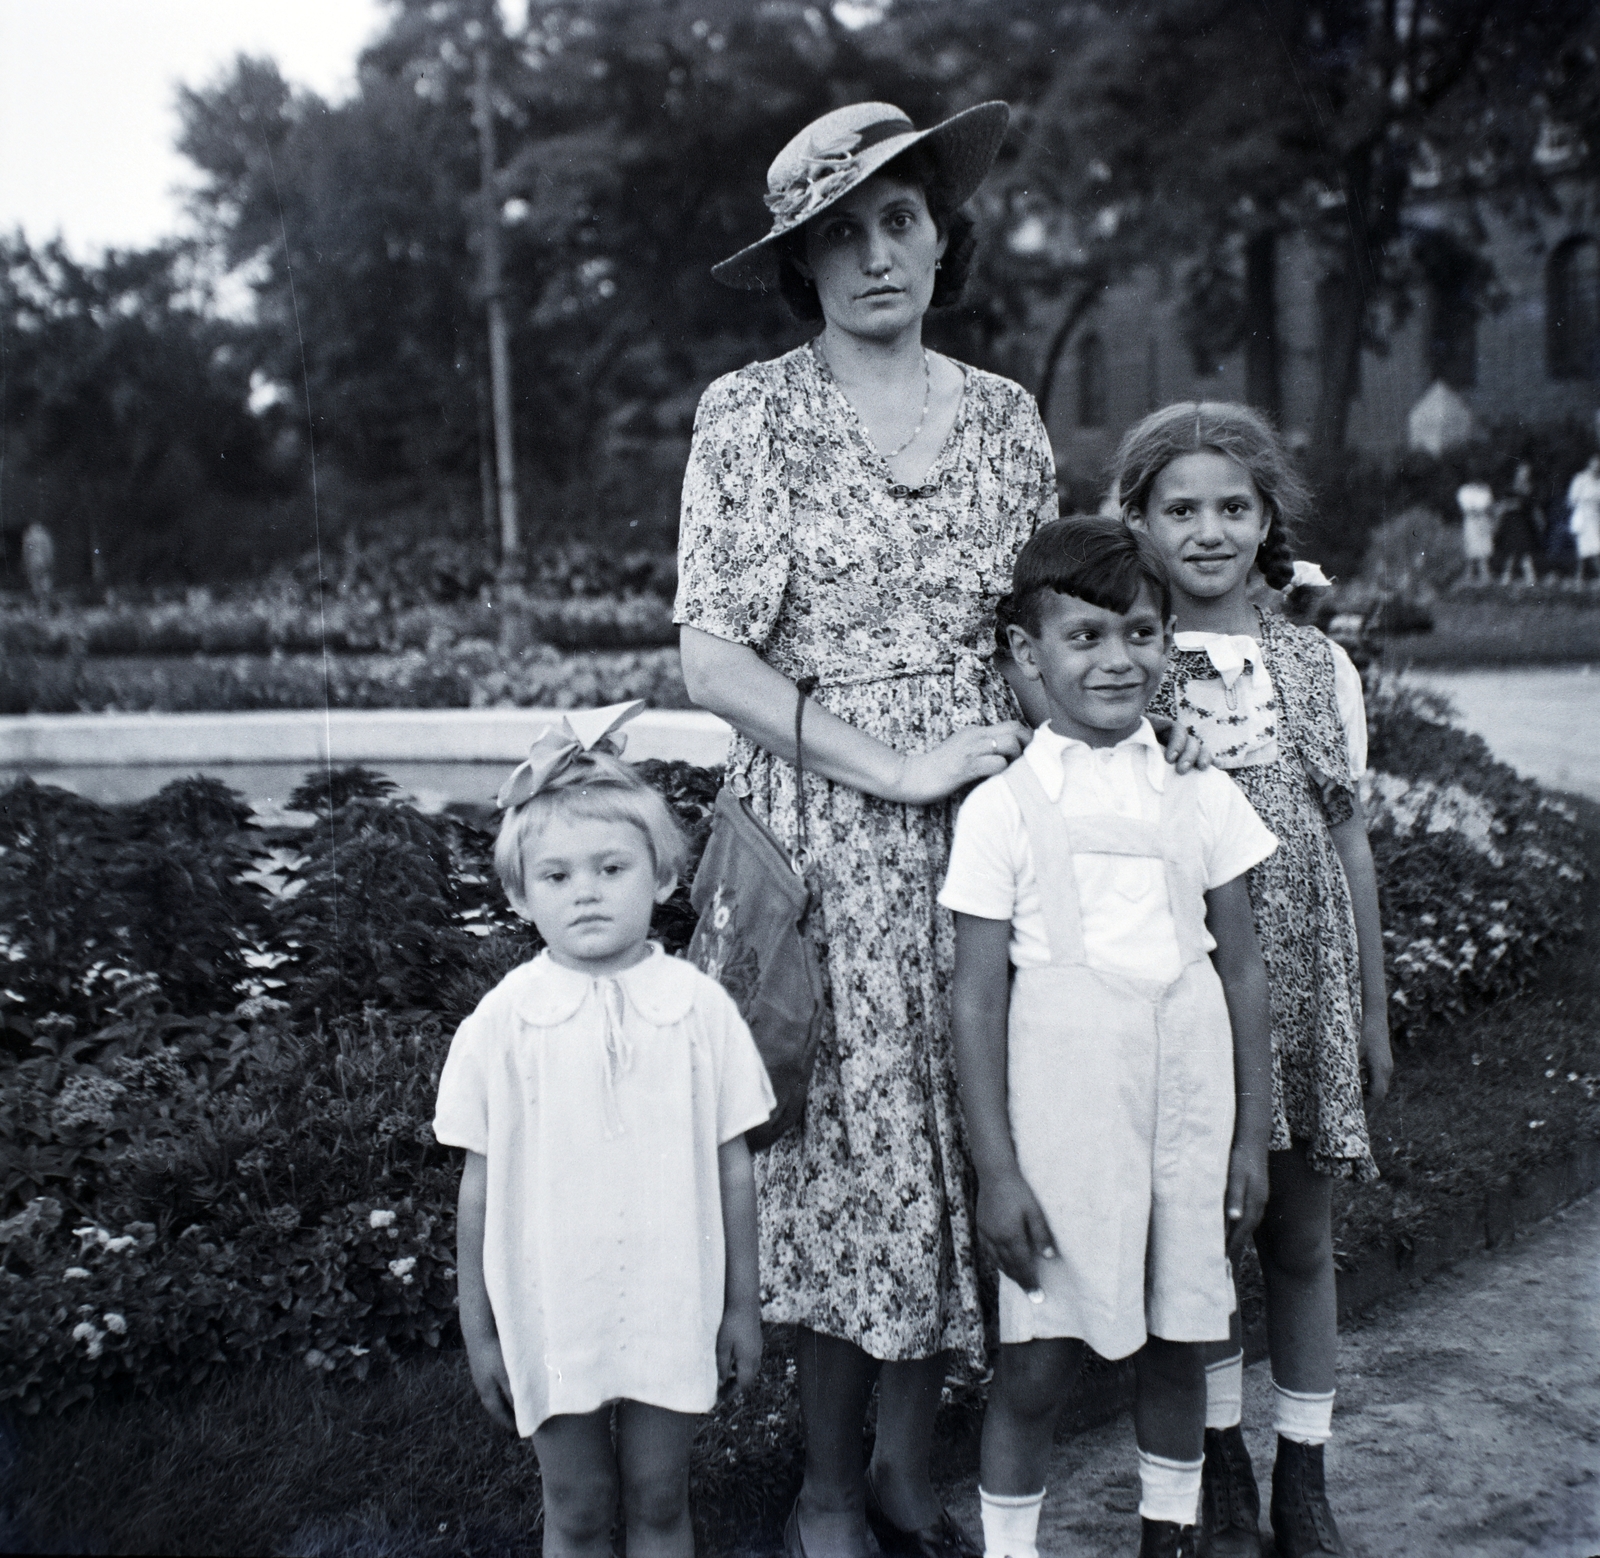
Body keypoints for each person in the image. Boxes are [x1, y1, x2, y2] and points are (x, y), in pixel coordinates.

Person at [679, 99, 1193, 1558]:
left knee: (963, 1151)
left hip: (988, 825)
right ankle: (827, 1492)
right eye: (837, 235)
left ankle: (909, 1475)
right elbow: (712, 658)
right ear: (801, 265)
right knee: (854, 1168)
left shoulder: (1008, 418)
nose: (874, 256)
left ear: (937, 235)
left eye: (897, 221)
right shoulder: (751, 413)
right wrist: (894, 766)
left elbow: (1048, 631)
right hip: (825, 837)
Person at [944, 518, 1276, 1558]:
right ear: (1027, 651)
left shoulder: (1199, 788)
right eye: (1083, 637)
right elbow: (975, 1000)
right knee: (1039, 1360)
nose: (1116, 659)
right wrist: (998, 1172)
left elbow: (1243, 970)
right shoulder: (1002, 808)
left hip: (1190, 1108)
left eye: (1140, 633)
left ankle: (1167, 1536)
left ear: (1167, 641)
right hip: (1066, 1123)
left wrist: (1250, 1140)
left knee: (1180, 1339)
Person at [1117, 403, 1393, 1558]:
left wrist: (1371, 1009)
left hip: (1306, 986)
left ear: (1268, 517)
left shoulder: (1317, 664)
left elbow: (1349, 843)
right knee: (1204, 1241)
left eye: (1233, 506)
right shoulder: (1126, 666)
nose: (1209, 530)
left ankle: (1303, 1477)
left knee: (1298, 1235)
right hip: (1188, 985)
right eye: (1179, 508)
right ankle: (1219, 1454)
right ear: (1136, 522)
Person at [433, 706, 776, 1558]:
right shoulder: (504, 1022)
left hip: (672, 1296)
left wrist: (741, 1306)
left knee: (660, 1496)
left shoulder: (698, 1008)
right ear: (520, 895)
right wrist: (481, 1329)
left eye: (611, 867)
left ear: (662, 876)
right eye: (556, 875)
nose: (585, 891)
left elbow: (733, 1167)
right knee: (579, 1505)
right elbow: (478, 1187)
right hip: (554, 1306)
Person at [1492, 461, 1543, 587]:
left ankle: (1528, 577)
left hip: (1524, 523)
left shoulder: (1531, 488)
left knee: (1523, 550)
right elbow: (1503, 505)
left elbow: (1532, 506)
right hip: (1511, 523)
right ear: (1517, 473)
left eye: (1526, 472)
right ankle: (1509, 576)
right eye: (1522, 472)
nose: (1524, 474)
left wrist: (1539, 520)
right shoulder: (1510, 488)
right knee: (1513, 551)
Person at [1566, 453, 1600, 589]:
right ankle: (1579, 578)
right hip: (1583, 518)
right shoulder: (1580, 479)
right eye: (1594, 464)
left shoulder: (1598, 482)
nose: (1596, 467)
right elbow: (1571, 499)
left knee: (1595, 548)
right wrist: (1584, 502)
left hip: (1595, 519)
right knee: (1584, 550)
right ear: (1589, 464)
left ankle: (1580, 577)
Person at [1455, 477, 1495, 587]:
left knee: (1484, 547)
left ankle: (1485, 574)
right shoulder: (1465, 490)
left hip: (1483, 521)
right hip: (1471, 522)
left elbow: (1487, 505)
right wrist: (1476, 510)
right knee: (1471, 547)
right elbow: (1466, 507)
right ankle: (1469, 574)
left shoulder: (1485, 490)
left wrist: (1481, 511)